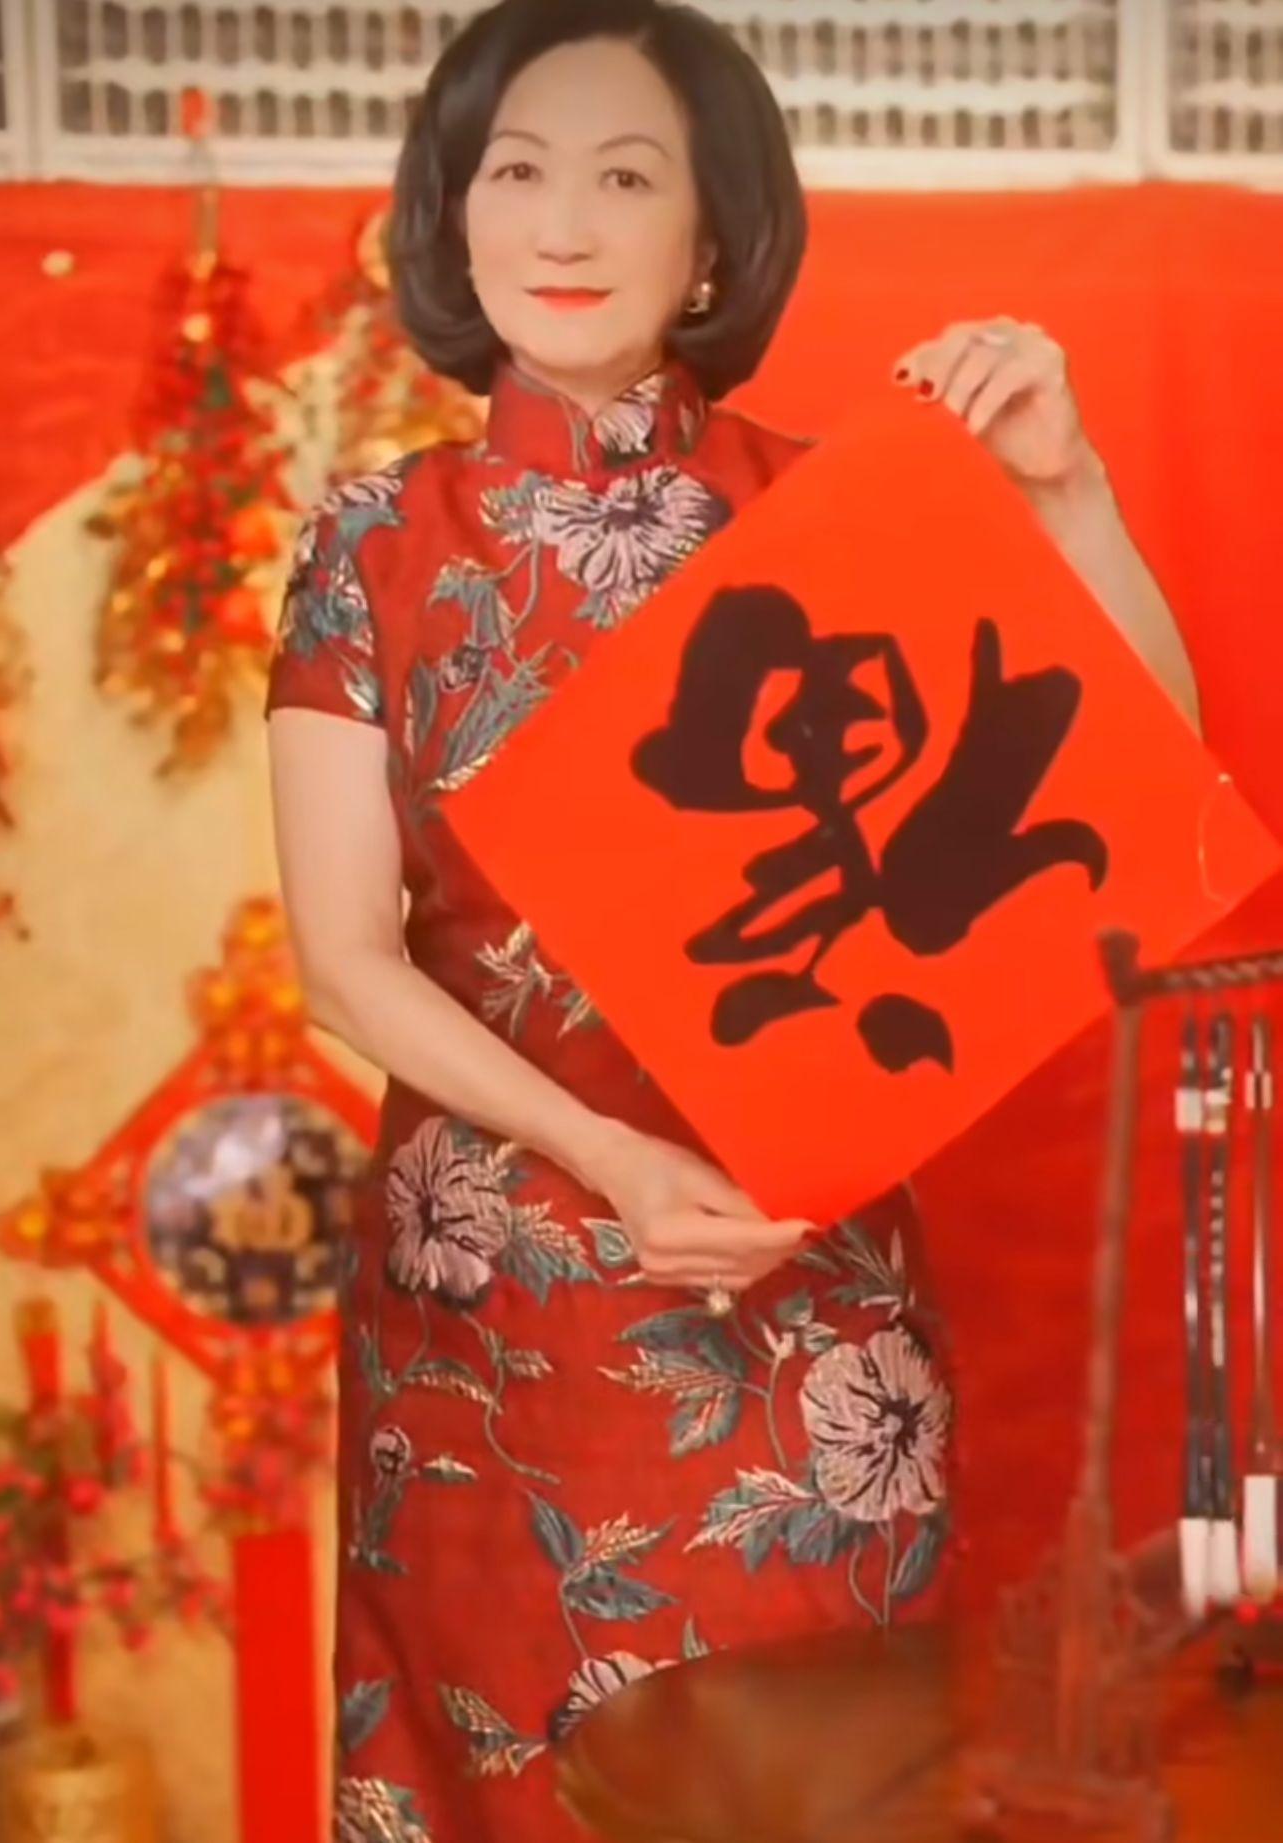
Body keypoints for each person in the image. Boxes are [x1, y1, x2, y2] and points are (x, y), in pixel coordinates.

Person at [266, 4, 1197, 1839]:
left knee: (819, 1797)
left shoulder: (827, 511)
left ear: (713, 240)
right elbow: (343, 961)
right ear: (452, 211)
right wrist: (611, 1156)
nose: (562, 225)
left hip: (803, 1323)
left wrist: (1065, 488)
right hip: (494, 1334)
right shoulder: (377, 543)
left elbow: (1139, 783)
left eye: (628, 179)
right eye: (516, 172)